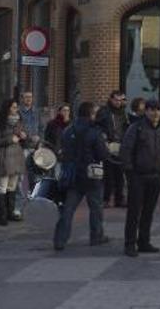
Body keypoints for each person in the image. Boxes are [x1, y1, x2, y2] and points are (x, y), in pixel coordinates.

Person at [54, 102, 110, 250]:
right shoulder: (95, 131)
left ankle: (60, 239)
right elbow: (102, 154)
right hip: (91, 174)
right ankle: (96, 236)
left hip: (72, 174)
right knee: (96, 207)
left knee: (68, 209)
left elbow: (64, 150)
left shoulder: (68, 130)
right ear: (91, 114)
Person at [121, 99, 160, 257]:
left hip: (155, 176)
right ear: (146, 111)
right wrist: (129, 172)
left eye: (158, 110)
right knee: (134, 212)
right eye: (152, 110)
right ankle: (129, 244)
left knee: (148, 211)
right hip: (137, 176)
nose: (155, 113)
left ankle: (144, 242)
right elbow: (126, 150)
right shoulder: (136, 128)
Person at [0, 99, 27, 226]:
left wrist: (24, 136)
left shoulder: (19, 121)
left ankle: (10, 212)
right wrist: (10, 139)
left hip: (16, 156)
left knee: (12, 186)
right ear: (7, 108)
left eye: (16, 107)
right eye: (13, 107)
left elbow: (22, 140)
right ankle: (2, 215)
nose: (15, 109)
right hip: (4, 157)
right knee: (2, 186)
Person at [96, 91, 129, 208]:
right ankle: (106, 199)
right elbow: (97, 126)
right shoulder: (104, 112)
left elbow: (126, 127)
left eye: (121, 100)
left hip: (120, 146)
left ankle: (119, 198)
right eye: (116, 100)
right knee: (108, 175)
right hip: (108, 146)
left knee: (120, 175)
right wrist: (103, 137)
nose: (118, 102)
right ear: (111, 99)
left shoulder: (123, 113)